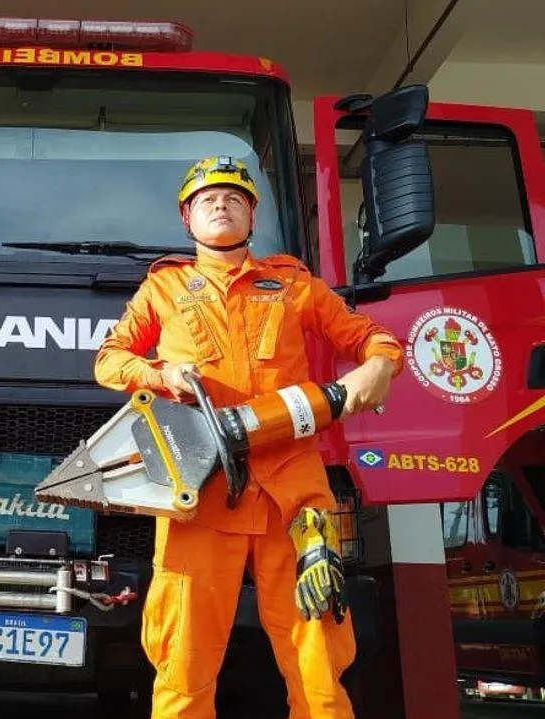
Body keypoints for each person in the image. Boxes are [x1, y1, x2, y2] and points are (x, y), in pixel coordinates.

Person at [93, 156, 404, 719]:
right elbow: (110, 361)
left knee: (318, 659)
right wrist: (161, 375)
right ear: (187, 218)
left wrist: (380, 364)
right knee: (183, 660)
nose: (220, 203)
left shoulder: (294, 284)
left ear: (252, 215)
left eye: (234, 196)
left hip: (294, 499)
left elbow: (369, 337)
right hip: (201, 495)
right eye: (206, 198)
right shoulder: (163, 287)